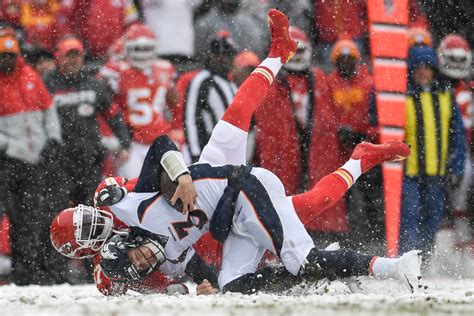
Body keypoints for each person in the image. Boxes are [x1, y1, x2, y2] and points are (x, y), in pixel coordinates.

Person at [50, 9, 420, 295]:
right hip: (222, 215)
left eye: (86, 218)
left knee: (236, 117)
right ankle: (359, 161)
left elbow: (159, 153)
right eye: (87, 232)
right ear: (89, 252)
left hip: (214, 182)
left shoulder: (119, 203)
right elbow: (170, 276)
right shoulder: (124, 263)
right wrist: (182, 289)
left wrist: (178, 175)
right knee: (303, 213)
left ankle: (278, 54)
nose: (94, 223)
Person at [0, 28, 62, 285]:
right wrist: (10, 148)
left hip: (33, 161)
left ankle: (26, 272)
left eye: (10, 55)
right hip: (6, 161)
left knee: (27, 218)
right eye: (3, 55)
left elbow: (49, 111)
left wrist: (53, 140)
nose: (7, 60)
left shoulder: (30, 76)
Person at [399, 45, 466, 258]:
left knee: (432, 217)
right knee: (409, 216)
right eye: (418, 67)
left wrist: (456, 167)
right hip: (408, 171)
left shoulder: (445, 95)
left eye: (427, 67)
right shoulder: (403, 95)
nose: (423, 72)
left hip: (436, 172)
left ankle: (424, 260)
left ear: (434, 70)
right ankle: (406, 259)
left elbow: (457, 135)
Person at [99, 24, 177, 179]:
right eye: (138, 49)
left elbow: (174, 104)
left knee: (171, 186)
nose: (142, 54)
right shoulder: (117, 71)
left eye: (146, 49)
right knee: (132, 188)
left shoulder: (164, 68)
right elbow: (104, 105)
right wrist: (113, 137)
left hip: (160, 137)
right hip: (132, 141)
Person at [177, 31, 238, 162]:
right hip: (208, 153)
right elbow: (190, 118)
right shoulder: (202, 80)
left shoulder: (230, 83)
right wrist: (196, 155)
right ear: (216, 56)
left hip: (228, 153)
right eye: (228, 55)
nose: (232, 60)